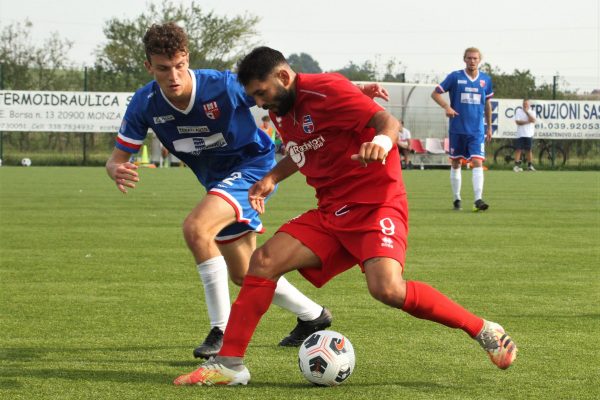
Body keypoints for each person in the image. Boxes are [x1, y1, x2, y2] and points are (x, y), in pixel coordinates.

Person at [173, 46, 517, 386]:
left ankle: (484, 329)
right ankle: (230, 364)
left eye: (262, 93)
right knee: (262, 261)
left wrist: (381, 142)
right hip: (332, 210)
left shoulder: (326, 89)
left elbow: (387, 121)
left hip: (376, 204)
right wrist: (271, 178)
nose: (260, 103)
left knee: (387, 289)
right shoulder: (281, 108)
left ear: (282, 75)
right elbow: (303, 149)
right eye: (255, 97)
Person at [105, 23, 338, 360]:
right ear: (148, 67)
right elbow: (116, 159)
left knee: (196, 228)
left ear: (187, 58)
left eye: (179, 65)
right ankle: (314, 316)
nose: (173, 76)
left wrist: (349, 99)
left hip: (253, 169)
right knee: (245, 274)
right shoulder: (145, 103)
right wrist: (115, 168)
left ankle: (222, 330)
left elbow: (284, 88)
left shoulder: (223, 87)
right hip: (218, 184)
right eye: (163, 68)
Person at [431, 47, 494, 212]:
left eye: (475, 58)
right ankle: (457, 198)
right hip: (457, 129)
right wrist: (446, 106)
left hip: (476, 131)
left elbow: (487, 104)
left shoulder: (485, 80)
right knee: (456, 162)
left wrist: (488, 127)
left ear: (480, 60)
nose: (472, 61)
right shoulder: (455, 77)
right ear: (464, 59)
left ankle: (478, 199)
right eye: (469, 58)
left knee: (477, 161)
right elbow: (435, 93)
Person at [513, 99, 536, 172]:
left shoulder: (532, 112)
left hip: (529, 134)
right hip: (520, 134)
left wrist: (527, 112)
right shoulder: (518, 111)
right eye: (524, 104)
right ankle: (516, 166)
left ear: (529, 104)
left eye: (526, 104)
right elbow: (517, 122)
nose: (525, 105)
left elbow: (533, 120)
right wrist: (527, 122)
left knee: (528, 150)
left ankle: (530, 166)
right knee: (518, 149)